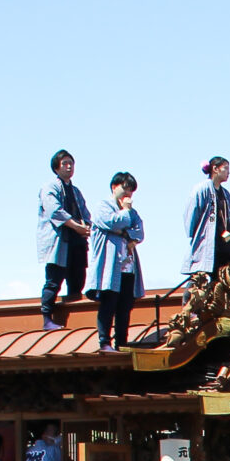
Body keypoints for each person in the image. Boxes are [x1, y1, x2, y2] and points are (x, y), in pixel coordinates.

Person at [89, 170, 145, 352]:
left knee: (125, 306)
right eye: (126, 189)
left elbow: (140, 232)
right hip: (110, 267)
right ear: (115, 187)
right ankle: (104, 341)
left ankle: (122, 342)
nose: (129, 194)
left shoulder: (132, 213)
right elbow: (112, 223)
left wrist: (127, 233)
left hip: (128, 267)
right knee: (109, 303)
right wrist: (126, 214)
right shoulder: (102, 206)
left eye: (132, 191)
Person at [38, 147, 92, 330]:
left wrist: (87, 226)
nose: (69, 167)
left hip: (77, 242)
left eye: (71, 163)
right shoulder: (50, 187)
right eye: (65, 164)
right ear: (56, 168)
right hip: (59, 242)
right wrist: (77, 226)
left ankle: (75, 319)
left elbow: (85, 213)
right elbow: (55, 211)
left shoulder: (76, 191)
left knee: (78, 279)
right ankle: (47, 318)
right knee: (54, 280)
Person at [184, 155, 230, 276]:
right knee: (201, 281)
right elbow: (191, 215)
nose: (229, 172)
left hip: (225, 245)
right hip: (208, 244)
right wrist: (196, 235)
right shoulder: (201, 189)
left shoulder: (226, 194)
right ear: (215, 169)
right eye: (226, 168)